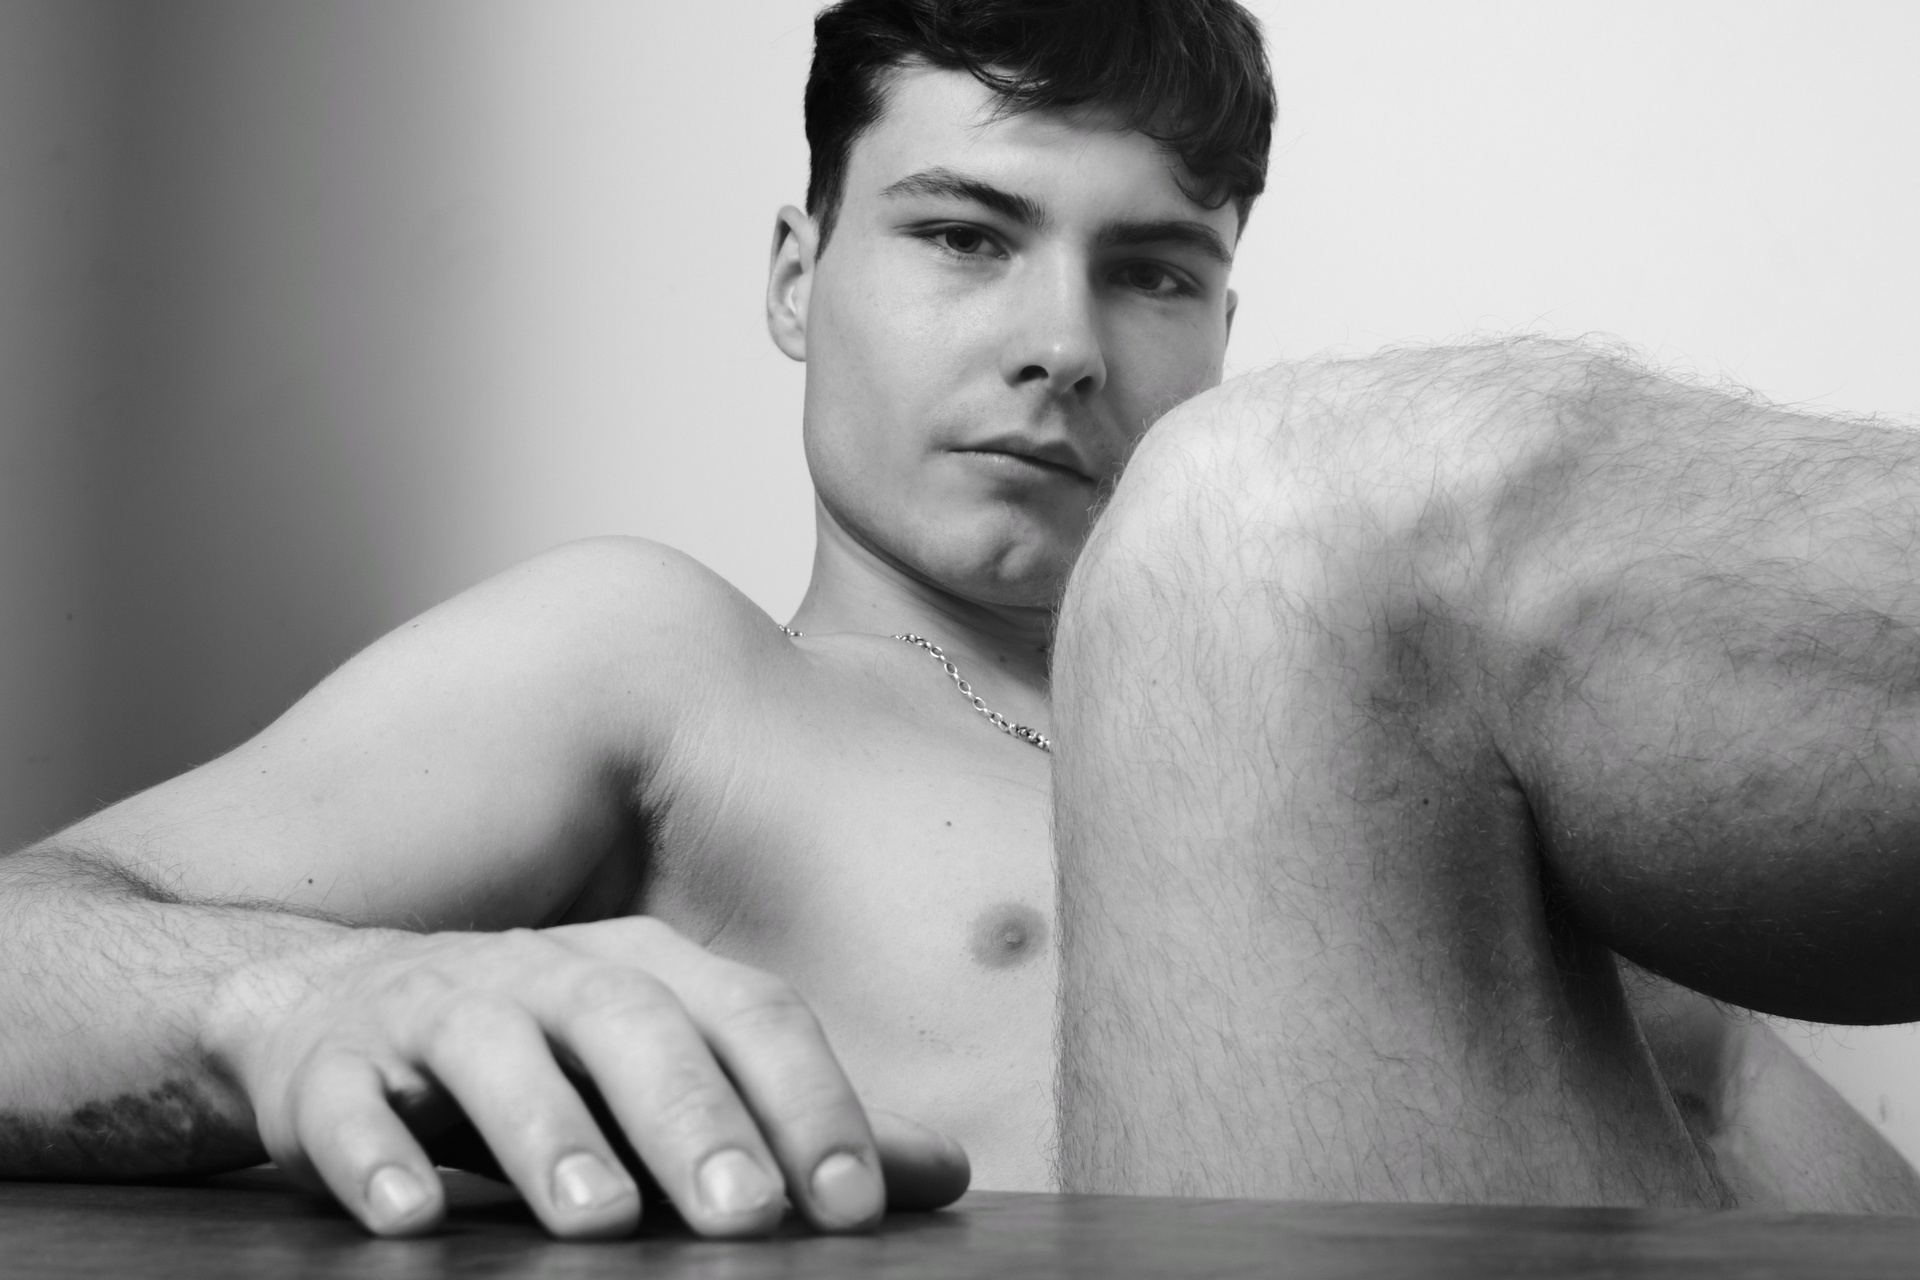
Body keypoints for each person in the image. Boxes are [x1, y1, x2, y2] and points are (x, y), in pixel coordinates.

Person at [0, 0, 1915, 1241]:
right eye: (963, 234)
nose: (1062, 344)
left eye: (1152, 273)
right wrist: (301, 997)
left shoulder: (1455, 788)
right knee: (1277, 502)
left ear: (1220, 323)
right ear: (795, 273)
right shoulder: (676, 672)